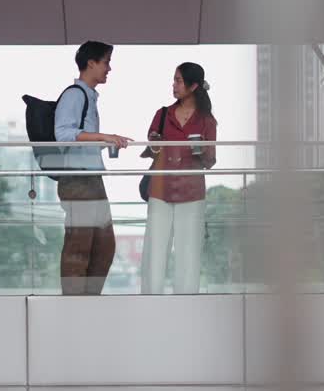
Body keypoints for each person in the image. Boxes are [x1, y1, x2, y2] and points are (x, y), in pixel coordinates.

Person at [54, 41, 132, 295]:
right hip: (78, 180)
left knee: (104, 245)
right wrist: (104, 136)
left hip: (91, 178)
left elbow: (78, 137)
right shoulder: (74, 95)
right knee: (79, 244)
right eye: (106, 62)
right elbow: (63, 135)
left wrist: (104, 142)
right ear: (91, 63)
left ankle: (87, 299)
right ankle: (74, 304)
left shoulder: (88, 96)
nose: (109, 68)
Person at [141, 62, 217, 294]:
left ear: (193, 86)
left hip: (191, 192)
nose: (174, 85)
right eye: (174, 80)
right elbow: (151, 151)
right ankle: (150, 301)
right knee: (154, 251)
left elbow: (210, 161)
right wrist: (154, 144)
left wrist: (200, 149)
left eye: (179, 81)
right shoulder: (162, 114)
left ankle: (187, 302)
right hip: (160, 189)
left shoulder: (207, 121)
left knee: (188, 253)